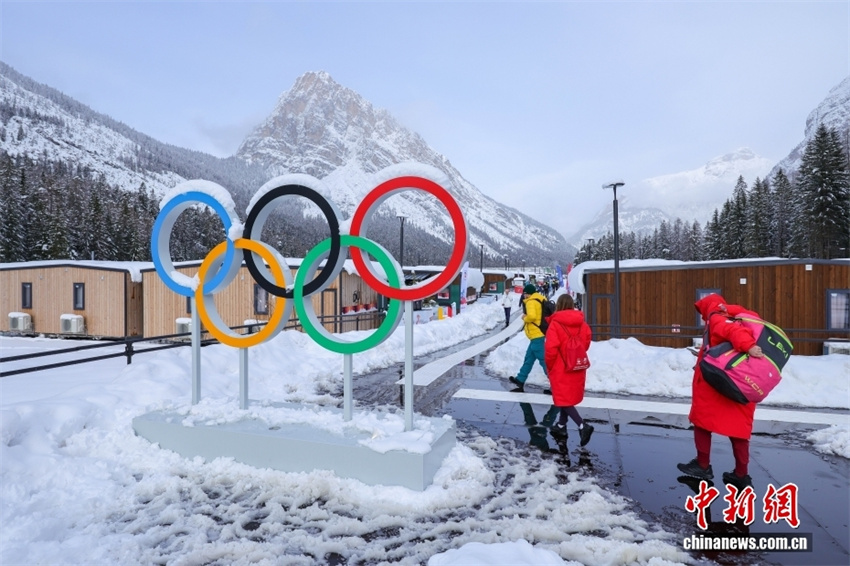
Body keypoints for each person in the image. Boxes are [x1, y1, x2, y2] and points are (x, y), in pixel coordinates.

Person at [677, 293, 764, 490]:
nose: (701, 317)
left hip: (716, 386)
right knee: (739, 431)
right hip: (740, 383)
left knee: (702, 422)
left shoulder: (717, 318)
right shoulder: (738, 316)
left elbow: (731, 331)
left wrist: (748, 346)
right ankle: (741, 475)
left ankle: (702, 465)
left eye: (702, 311)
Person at [544, 294, 594, 447]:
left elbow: (550, 349)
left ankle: (582, 425)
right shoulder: (581, 323)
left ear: (558, 305)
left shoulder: (556, 324)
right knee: (566, 397)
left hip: (561, 366)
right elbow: (586, 341)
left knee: (562, 397)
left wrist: (550, 365)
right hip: (576, 364)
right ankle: (561, 426)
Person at [508, 284, 550, 393]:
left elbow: (531, 316)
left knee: (544, 361)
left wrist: (524, 318)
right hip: (538, 334)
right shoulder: (540, 299)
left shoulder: (531, 302)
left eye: (525, 293)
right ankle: (520, 380)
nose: (524, 296)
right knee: (529, 359)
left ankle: (556, 385)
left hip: (536, 335)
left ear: (528, 293)